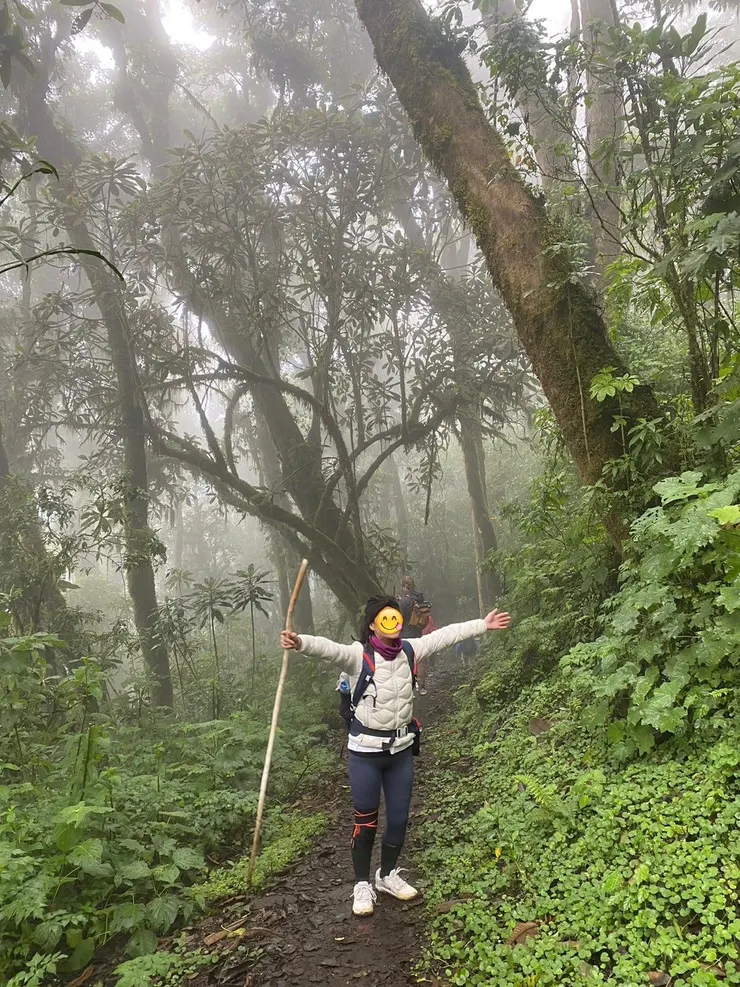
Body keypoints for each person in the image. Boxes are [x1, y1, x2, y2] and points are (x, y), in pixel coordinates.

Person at [280, 597, 511, 916]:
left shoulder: (412, 650)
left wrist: (482, 626)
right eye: (384, 618)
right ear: (373, 624)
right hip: (364, 753)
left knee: (400, 819)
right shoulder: (357, 656)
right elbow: (327, 648)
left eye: (395, 618)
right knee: (366, 821)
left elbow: (447, 635)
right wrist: (299, 641)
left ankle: (386, 875)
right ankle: (362, 883)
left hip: (400, 751)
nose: (392, 623)